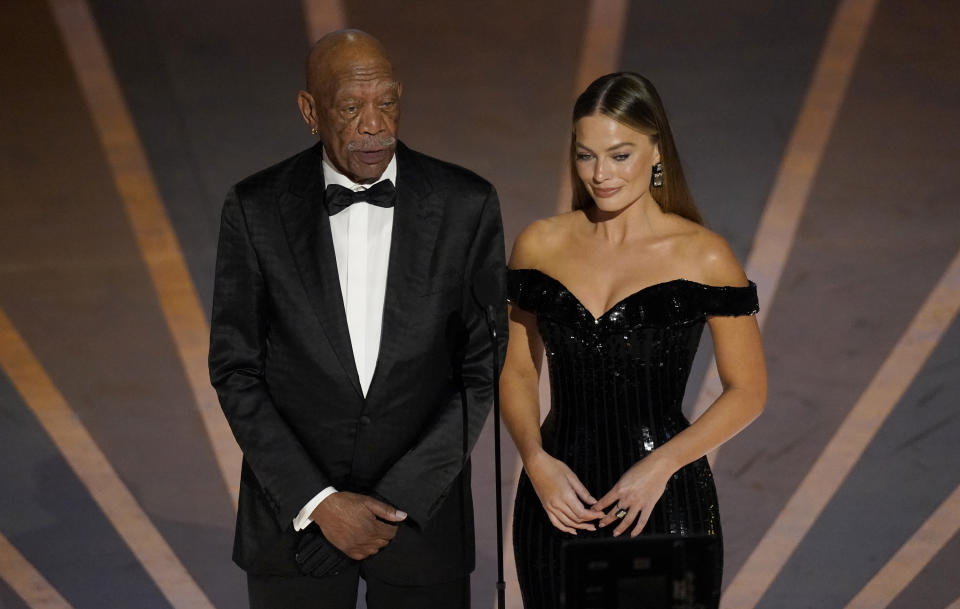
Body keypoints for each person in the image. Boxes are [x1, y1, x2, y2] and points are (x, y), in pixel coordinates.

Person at [208, 29, 506, 609]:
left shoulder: (466, 204)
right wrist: (321, 504)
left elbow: (483, 363)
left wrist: (395, 502)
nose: (375, 124)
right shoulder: (255, 208)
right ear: (310, 111)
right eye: (351, 107)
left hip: (422, 524)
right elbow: (235, 368)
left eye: (387, 102)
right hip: (295, 527)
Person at [500, 72, 767, 608]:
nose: (601, 174)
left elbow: (748, 391)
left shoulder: (704, 256)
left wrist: (661, 466)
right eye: (586, 156)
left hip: (663, 502)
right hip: (557, 500)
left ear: (656, 151)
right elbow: (519, 371)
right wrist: (535, 460)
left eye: (619, 156)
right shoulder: (539, 244)